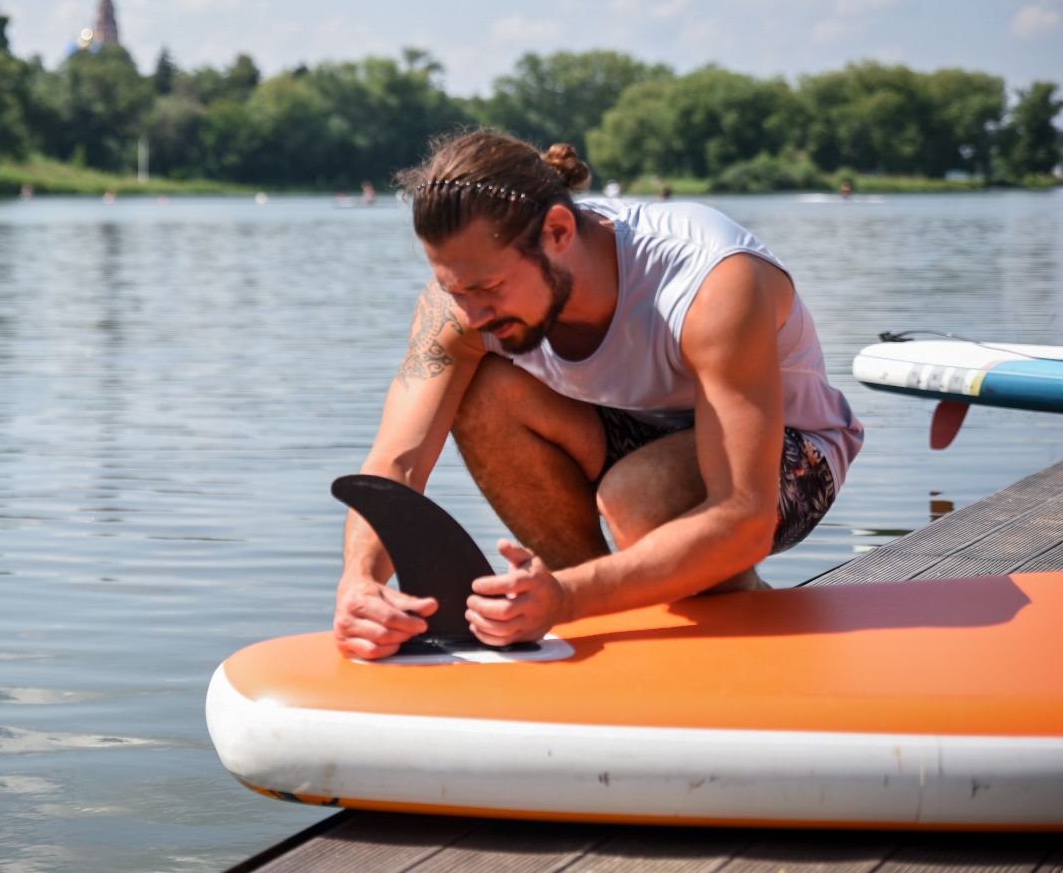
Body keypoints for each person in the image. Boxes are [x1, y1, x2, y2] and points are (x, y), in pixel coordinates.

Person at [333, 130, 862, 660]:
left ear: (558, 231)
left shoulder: (712, 280)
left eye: (488, 289)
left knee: (640, 494)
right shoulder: (462, 308)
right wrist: (358, 582)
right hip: (633, 430)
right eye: (455, 291)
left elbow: (743, 518)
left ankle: (731, 621)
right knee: (483, 392)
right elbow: (396, 464)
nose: (471, 315)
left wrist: (568, 597)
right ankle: (592, 617)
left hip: (791, 455)